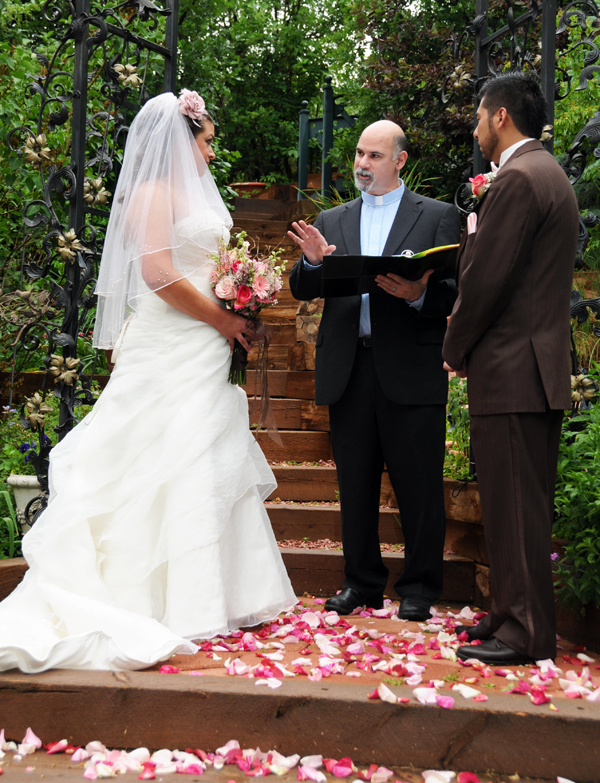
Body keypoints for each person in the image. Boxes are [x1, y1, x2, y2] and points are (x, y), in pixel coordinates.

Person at [0, 90, 296, 673]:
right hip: (171, 340)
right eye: (207, 141)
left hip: (204, 343)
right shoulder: (152, 193)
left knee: (201, 459)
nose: (212, 153)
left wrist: (242, 300)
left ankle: (212, 596)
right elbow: (158, 273)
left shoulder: (197, 194)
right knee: (157, 457)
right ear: (181, 140)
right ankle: (146, 596)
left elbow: (206, 266)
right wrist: (223, 318)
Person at [288, 120, 460, 620]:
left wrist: (420, 294)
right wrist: (313, 263)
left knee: (419, 484)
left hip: (411, 366)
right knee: (355, 485)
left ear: (400, 160)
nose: (362, 164)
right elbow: (303, 288)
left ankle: (420, 587)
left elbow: (455, 292)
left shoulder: (438, 216)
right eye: (360, 154)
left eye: (375, 156)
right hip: (350, 366)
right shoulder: (332, 218)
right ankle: (360, 583)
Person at [442, 71, 579, 664]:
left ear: (501, 116)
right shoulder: (546, 172)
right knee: (511, 503)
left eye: (478, 116)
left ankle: (524, 633)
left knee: (517, 506)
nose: (475, 128)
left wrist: (453, 347)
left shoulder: (520, 179)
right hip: (530, 366)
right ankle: (507, 615)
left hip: (513, 366)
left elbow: (486, 282)